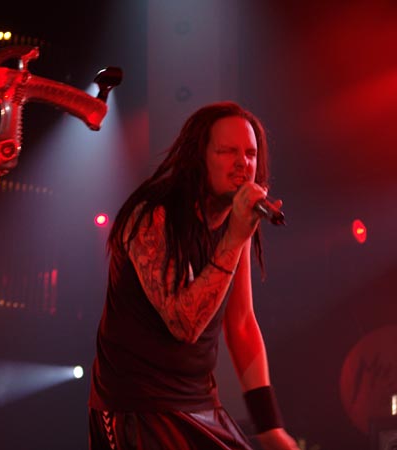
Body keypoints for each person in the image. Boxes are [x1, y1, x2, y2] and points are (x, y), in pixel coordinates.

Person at [88, 101, 300, 450]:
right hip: (136, 407)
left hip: (197, 400)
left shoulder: (235, 221)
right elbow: (184, 325)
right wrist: (235, 237)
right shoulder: (154, 216)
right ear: (199, 158)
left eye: (250, 153)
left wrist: (270, 426)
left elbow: (242, 323)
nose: (242, 163)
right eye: (227, 151)